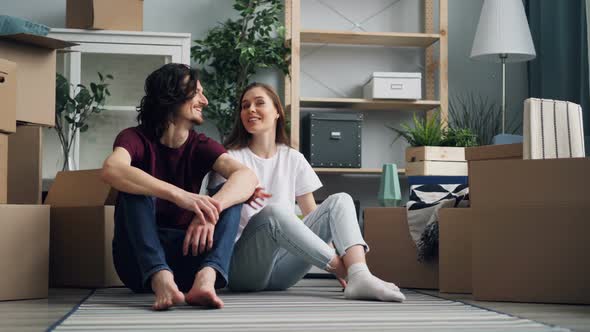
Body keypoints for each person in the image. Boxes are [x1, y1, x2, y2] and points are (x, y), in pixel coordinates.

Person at [209, 82, 405, 302]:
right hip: (243, 270)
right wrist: (340, 269)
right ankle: (352, 273)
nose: (250, 110)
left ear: (277, 112)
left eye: (259, 103)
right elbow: (219, 219)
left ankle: (359, 273)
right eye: (245, 106)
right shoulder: (230, 160)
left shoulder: (293, 158)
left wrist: (338, 255)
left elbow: (315, 217)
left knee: (340, 200)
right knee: (275, 214)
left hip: (283, 274)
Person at [101, 63, 258, 310]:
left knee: (229, 195)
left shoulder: (201, 145)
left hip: (188, 258)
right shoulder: (134, 138)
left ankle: (207, 279)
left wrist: (209, 213)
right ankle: (161, 279)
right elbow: (112, 169)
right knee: (135, 187)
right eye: (197, 92)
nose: (204, 101)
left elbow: (247, 177)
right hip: (138, 266)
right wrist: (180, 196)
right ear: (171, 95)